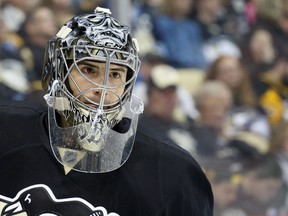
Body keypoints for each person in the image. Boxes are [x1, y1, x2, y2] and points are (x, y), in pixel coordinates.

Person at [0, 6, 213, 216]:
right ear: (59, 70)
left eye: (115, 74)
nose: (101, 89)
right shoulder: (7, 129)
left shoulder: (169, 171)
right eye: (89, 70)